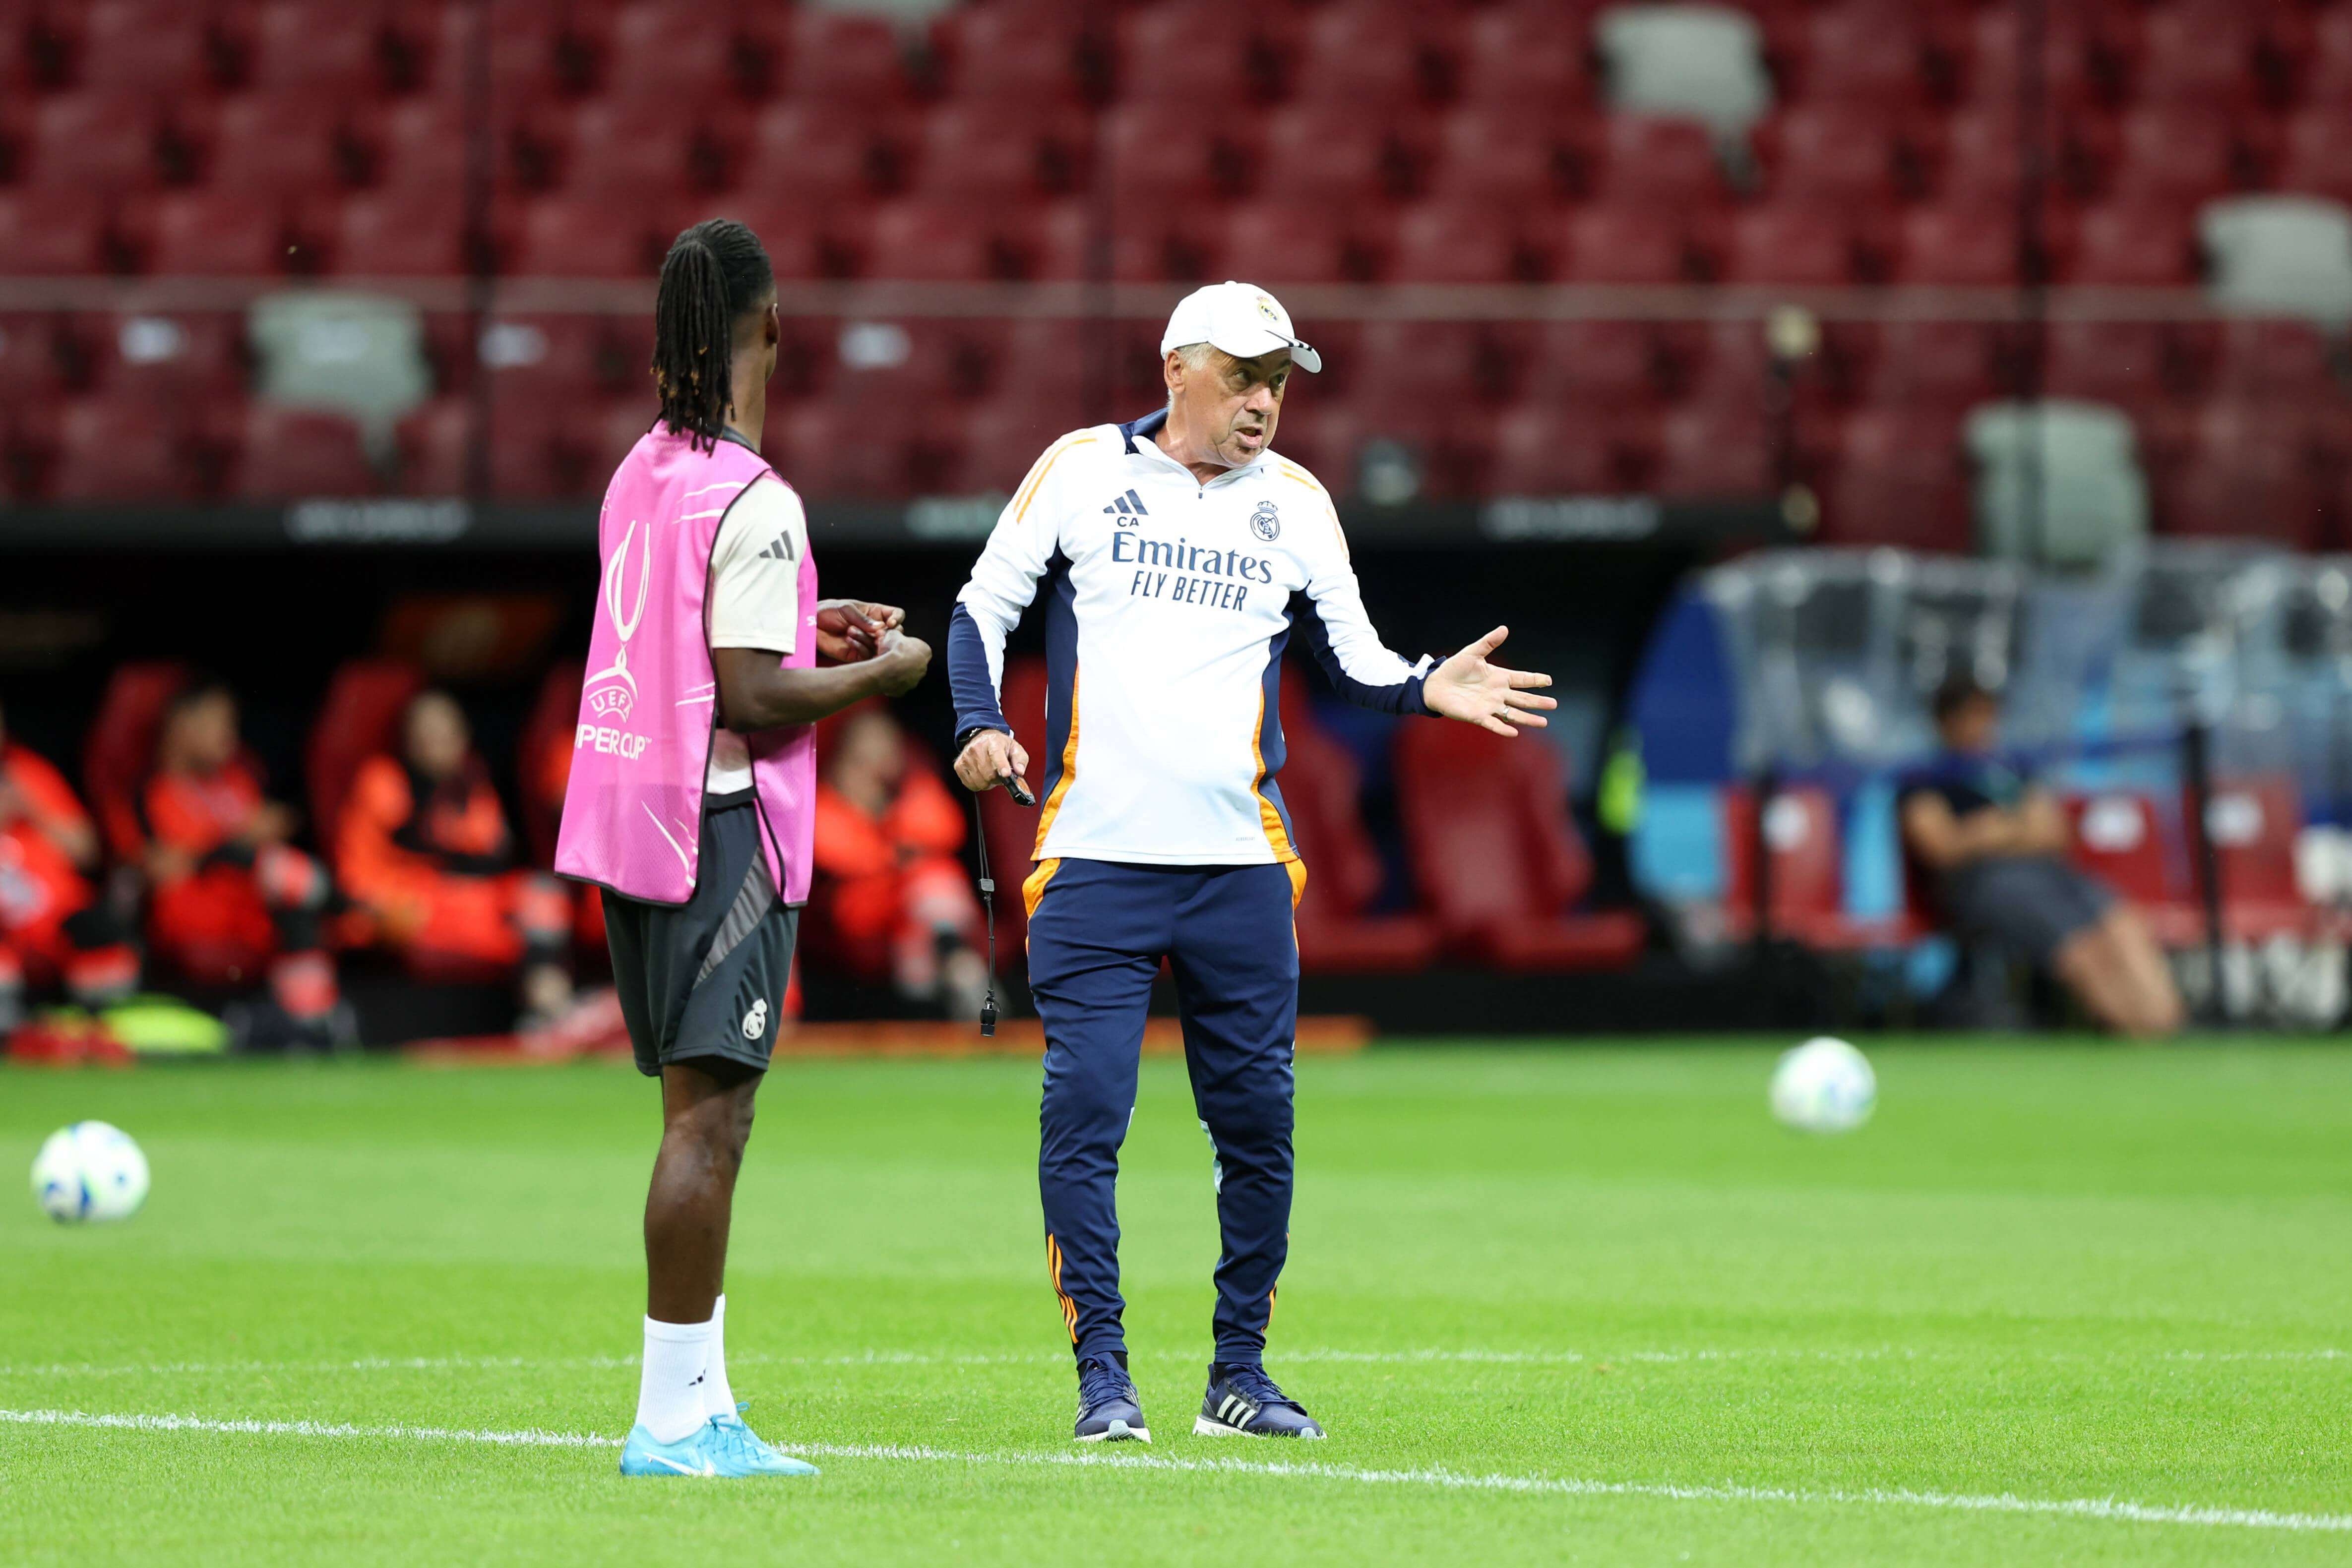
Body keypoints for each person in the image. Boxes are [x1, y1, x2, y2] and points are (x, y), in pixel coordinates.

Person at [946, 281, 1556, 1443]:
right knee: (1085, 1113)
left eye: (1280, 380)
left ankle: (1238, 1372)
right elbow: (982, 607)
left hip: (1238, 867)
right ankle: (1103, 1378)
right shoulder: (1080, 468)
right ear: (1179, 366)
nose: (1266, 401)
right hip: (1093, 862)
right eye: (1245, 375)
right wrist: (979, 719)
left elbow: (1355, 656)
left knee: (1257, 1128)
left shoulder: (1297, 502)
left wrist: (1428, 683)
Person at [554, 218, 931, 1480]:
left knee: (698, 1121)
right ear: (773, 329)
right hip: (722, 831)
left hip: (637, 819)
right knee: (709, 1128)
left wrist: (805, 620)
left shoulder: (640, 473)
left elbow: (683, 635)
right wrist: (885, 671)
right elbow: (752, 699)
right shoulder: (760, 497)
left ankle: (700, 1405)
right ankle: (668, 1421)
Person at [1899, 673, 2183, 1038]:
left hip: (2053, 875)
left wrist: (1988, 830)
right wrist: (2016, 829)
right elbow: (1941, 847)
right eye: (1972, 715)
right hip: (1990, 886)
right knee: (2082, 949)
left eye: (1988, 714)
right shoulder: (1925, 778)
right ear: (1947, 721)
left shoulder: (2014, 769)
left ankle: (2169, 1027)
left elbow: (2054, 832)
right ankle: (2135, 1031)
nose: (1983, 726)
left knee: (2123, 926)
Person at [336, 689, 575, 1027]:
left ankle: (549, 1012)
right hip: (407, 905)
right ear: (408, 738)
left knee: (541, 893)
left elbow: (491, 853)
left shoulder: (470, 781)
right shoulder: (384, 781)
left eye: (446, 733)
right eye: (426, 733)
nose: (437, 743)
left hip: (465, 901)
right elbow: (357, 874)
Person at [143, 677, 348, 1049]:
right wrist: (230, 841)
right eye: (218, 723)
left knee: (295, 904)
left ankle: (312, 1027)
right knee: (283, 876)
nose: (228, 735)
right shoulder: (153, 789)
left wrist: (248, 837)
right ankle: (349, 907)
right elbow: (157, 867)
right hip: (195, 913)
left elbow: (272, 826)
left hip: (251, 909)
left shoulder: (236, 781)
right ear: (183, 725)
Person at [809, 703, 989, 1019]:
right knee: (925, 882)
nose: (877, 760)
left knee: (935, 877)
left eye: (885, 748)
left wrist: (888, 813)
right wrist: (877, 825)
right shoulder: (824, 799)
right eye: (866, 751)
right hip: (857, 921)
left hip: (913, 920)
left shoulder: (911, 789)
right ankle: (945, 982)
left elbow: (947, 829)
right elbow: (842, 856)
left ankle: (951, 981)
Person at [0, 694, 138, 1036]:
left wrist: (31, 809)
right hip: (8, 938)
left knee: (101, 931)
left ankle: (97, 1038)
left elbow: (87, 849)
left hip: (59, 927)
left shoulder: (28, 772)